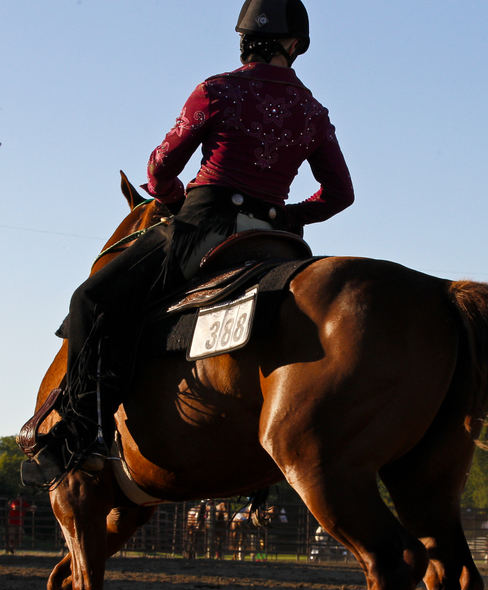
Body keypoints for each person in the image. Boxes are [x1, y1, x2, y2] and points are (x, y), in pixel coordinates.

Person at [22, 0, 354, 487]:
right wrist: (287, 216)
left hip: (202, 227)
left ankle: (81, 433)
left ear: (243, 39)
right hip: (275, 241)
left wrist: (175, 198)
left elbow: (160, 168)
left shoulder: (218, 89)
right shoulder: (312, 111)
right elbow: (340, 194)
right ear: (295, 45)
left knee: (90, 298)